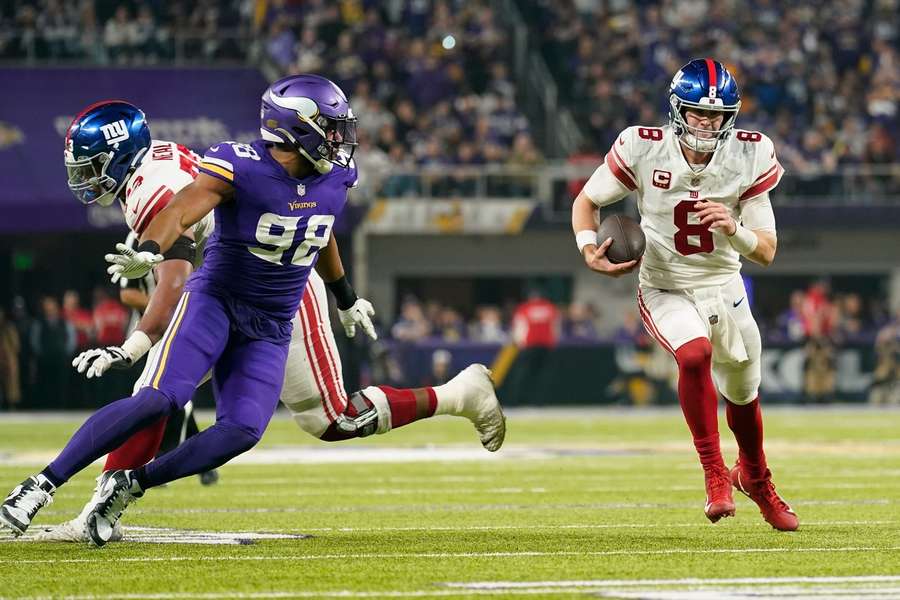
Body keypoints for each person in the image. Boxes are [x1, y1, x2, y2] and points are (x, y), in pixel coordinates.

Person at [3, 80, 504, 546]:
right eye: (330, 128)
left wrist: (345, 295)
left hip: (277, 313)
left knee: (286, 425)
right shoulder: (236, 165)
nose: (340, 139)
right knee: (157, 397)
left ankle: (125, 487)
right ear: (294, 129)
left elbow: (318, 222)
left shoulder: (333, 175)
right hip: (217, 298)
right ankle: (43, 488)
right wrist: (153, 250)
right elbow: (180, 214)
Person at [571, 59, 797, 531]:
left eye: (716, 116)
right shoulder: (643, 146)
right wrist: (589, 249)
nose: (706, 123)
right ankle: (715, 473)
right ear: (677, 109)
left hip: (724, 288)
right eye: (697, 113)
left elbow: (768, 252)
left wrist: (733, 228)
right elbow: (587, 202)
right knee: (694, 355)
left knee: (743, 395)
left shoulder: (750, 154)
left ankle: (755, 477)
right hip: (664, 284)